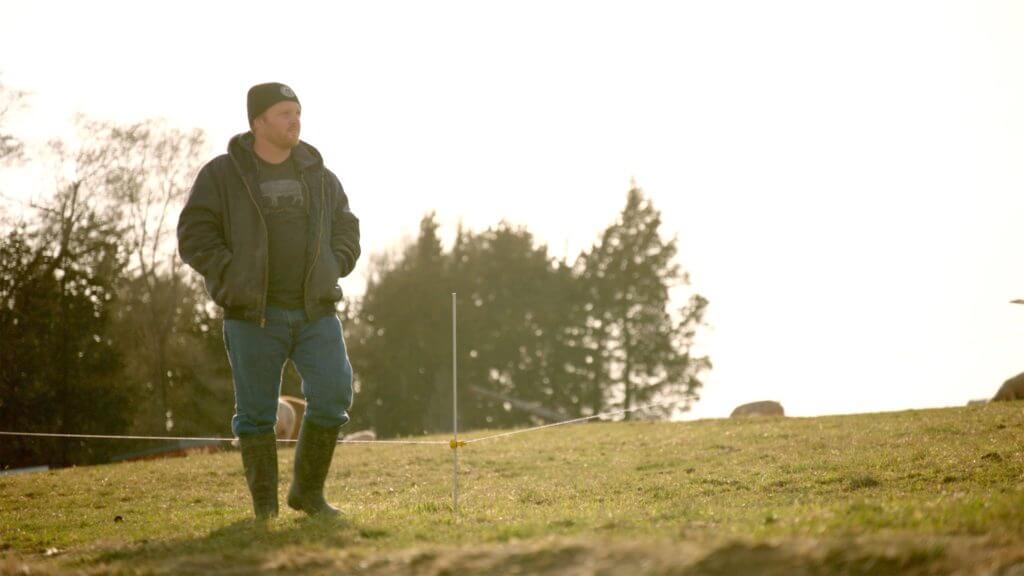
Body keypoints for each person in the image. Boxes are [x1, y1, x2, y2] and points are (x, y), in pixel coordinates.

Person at [177, 82, 360, 520]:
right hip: (252, 315)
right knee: (258, 416)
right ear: (257, 122)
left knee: (335, 394)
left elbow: (346, 226)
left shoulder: (319, 174)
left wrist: (336, 262)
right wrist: (232, 273)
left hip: (315, 311)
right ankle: (265, 511)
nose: (294, 120)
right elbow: (194, 236)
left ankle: (308, 495)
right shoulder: (221, 175)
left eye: (297, 111)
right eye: (283, 113)